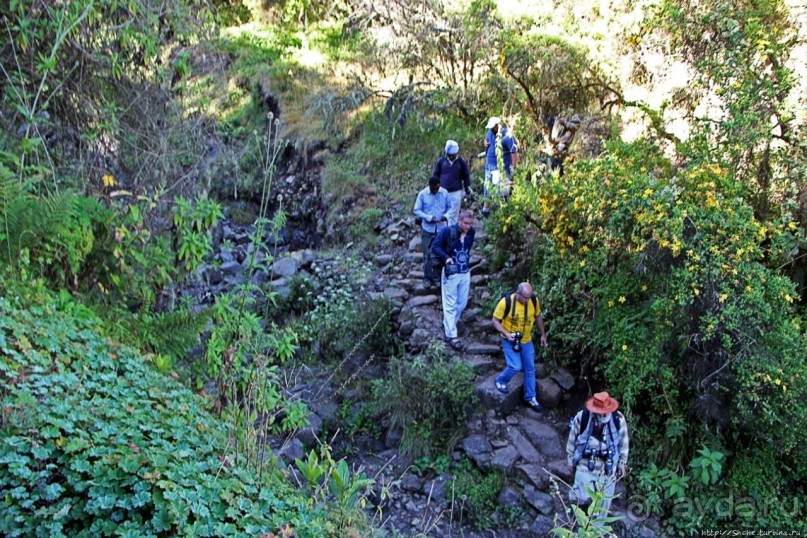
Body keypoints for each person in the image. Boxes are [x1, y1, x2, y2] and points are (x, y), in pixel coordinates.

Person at [565, 391, 630, 518]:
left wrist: (622, 463)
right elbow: (572, 439)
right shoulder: (582, 417)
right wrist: (570, 460)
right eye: (601, 411)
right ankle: (578, 524)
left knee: (604, 502)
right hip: (585, 462)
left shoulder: (618, 419)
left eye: (606, 411)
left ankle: (596, 531)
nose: (604, 414)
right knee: (581, 496)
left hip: (608, 465)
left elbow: (624, 442)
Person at [491, 282, 548, 412]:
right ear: (518, 294)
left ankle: (530, 397)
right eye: (526, 297)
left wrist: (543, 335)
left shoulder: (533, 301)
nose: (528, 300)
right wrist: (506, 334)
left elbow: (538, 316)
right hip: (508, 339)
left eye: (530, 296)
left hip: (526, 339)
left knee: (530, 368)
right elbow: (494, 321)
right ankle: (501, 380)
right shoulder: (506, 302)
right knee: (515, 366)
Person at [431, 209, 475, 350]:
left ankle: (448, 326)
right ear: (459, 221)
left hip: (465, 271)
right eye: (465, 223)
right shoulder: (447, 232)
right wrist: (447, 258)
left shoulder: (472, 233)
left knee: (461, 303)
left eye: (470, 224)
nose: (468, 226)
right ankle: (452, 335)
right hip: (451, 272)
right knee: (450, 303)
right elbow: (435, 246)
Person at [413, 175, 452, 287]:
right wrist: (428, 217)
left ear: (439, 186)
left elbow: (450, 208)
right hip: (428, 228)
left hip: (441, 229)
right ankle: (427, 277)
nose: (435, 190)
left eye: (436, 188)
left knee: (440, 253)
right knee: (427, 254)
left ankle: (438, 277)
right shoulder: (423, 194)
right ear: (429, 186)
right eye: (433, 188)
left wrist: (446, 216)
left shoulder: (444, 193)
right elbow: (417, 210)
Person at [482, 117, 519, 216]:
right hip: (489, 166)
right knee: (487, 188)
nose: (491, 129)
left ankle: (507, 211)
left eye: (493, 127)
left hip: (501, 168)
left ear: (497, 126)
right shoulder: (490, 133)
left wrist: (513, 166)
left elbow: (513, 151)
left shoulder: (507, 135)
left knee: (503, 190)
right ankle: (485, 210)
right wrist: (485, 143)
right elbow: (486, 140)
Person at [433, 140, 471, 226]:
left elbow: (466, 177)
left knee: (453, 215)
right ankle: (443, 233)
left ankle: (452, 234)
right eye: (449, 155)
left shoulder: (461, 162)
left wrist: (468, 191)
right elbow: (436, 175)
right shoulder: (441, 161)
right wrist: (434, 188)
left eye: (453, 155)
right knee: (442, 214)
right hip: (442, 192)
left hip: (456, 192)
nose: (451, 157)